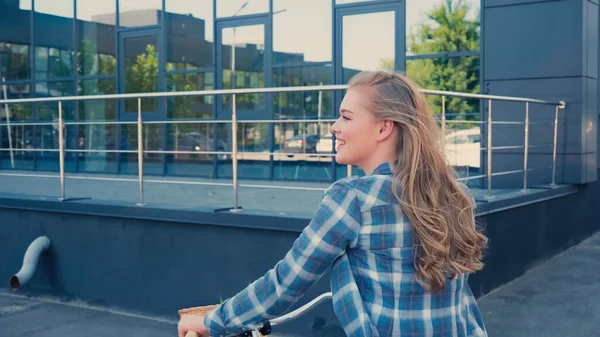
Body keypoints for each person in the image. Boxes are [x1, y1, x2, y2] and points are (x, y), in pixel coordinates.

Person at [178, 70, 489, 337]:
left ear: (383, 128)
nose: (334, 126)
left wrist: (212, 322)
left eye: (346, 116)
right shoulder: (448, 194)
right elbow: (463, 303)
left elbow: (284, 283)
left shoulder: (353, 199)